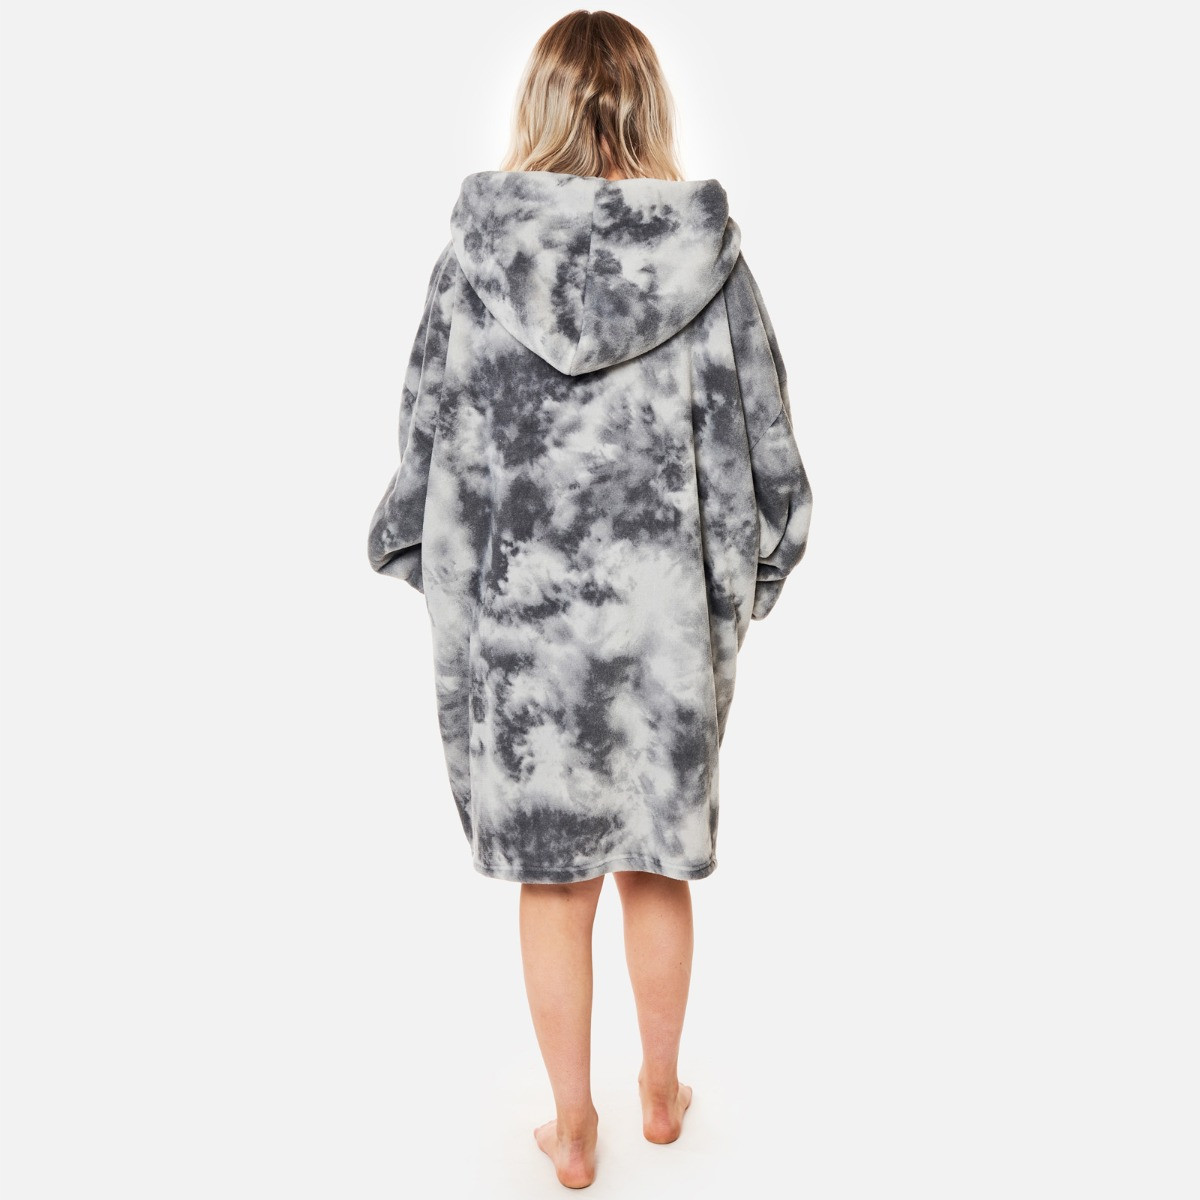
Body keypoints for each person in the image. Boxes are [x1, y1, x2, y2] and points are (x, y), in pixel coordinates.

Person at [367, 9, 813, 1189]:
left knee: (553, 879)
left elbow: (425, 439)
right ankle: (661, 1094)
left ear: (542, 106)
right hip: (662, 628)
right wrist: (761, 569)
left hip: (523, 631)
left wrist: (421, 554)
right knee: (653, 860)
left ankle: (572, 1126)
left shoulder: (474, 263)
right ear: (648, 107)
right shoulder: (710, 259)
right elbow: (767, 440)